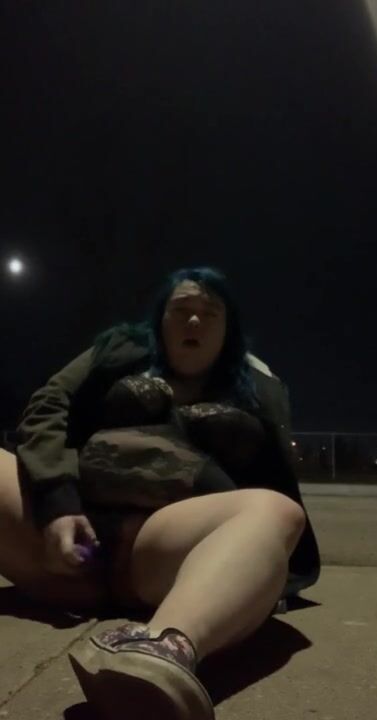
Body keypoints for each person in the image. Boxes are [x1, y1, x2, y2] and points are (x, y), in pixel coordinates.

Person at [0, 266, 320, 720]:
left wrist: (259, 576)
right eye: (181, 309)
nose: (195, 320)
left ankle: (161, 650)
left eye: (210, 312)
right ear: (159, 320)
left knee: (276, 511)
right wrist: (57, 504)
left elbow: (274, 489)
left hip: (153, 555)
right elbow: (49, 405)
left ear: (229, 329)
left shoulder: (257, 388)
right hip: (63, 535)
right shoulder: (115, 350)